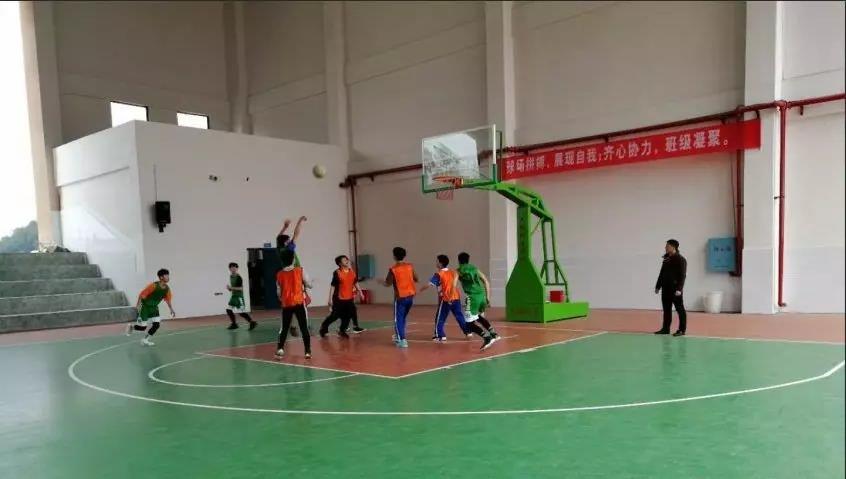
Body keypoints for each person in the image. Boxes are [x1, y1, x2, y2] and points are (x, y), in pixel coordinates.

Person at [419, 255, 473, 343]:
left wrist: (419, 290)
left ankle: (440, 336)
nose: (436, 262)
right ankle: (468, 332)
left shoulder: (439, 274)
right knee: (459, 316)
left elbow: (429, 284)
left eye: (437, 261)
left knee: (440, 318)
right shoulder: (453, 272)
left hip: (446, 299)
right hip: (456, 297)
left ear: (440, 263)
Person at [275, 249, 312, 359]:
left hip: (286, 304)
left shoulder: (279, 274)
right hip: (299, 302)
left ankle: (280, 349)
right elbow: (309, 284)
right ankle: (307, 351)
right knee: (304, 327)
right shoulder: (300, 270)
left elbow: (278, 292)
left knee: (284, 328)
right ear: (293, 259)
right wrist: (308, 284)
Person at [378, 246, 417, 348]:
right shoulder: (410, 266)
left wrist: (381, 281)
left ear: (394, 256)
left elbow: (388, 283)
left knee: (398, 319)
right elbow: (416, 278)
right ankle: (399, 335)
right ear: (404, 255)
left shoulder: (393, 269)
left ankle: (402, 340)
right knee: (403, 317)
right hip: (410, 296)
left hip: (400, 297)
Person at [456, 252, 500, 342]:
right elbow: (486, 281)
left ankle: (487, 338)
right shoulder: (475, 269)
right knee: (478, 316)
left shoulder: (459, 270)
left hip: (472, 297)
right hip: (482, 295)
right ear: (468, 260)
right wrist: (487, 297)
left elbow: (453, 283)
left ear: (459, 261)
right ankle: (494, 334)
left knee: (468, 324)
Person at [125, 268, 175, 346]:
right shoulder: (153, 286)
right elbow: (142, 295)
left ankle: (145, 339)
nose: (168, 277)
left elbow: (168, 300)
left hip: (154, 308)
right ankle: (132, 327)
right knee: (143, 327)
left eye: (168, 275)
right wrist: (138, 305)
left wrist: (171, 309)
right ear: (161, 277)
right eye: (166, 275)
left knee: (156, 325)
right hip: (145, 307)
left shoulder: (167, 289)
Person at [319, 255, 365, 338]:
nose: (347, 261)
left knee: (348, 315)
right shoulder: (337, 273)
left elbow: (355, 283)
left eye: (347, 259)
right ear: (340, 263)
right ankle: (324, 327)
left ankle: (342, 331)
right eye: (344, 260)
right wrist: (330, 299)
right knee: (335, 316)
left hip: (349, 298)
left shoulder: (352, 272)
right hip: (338, 298)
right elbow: (333, 286)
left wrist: (361, 293)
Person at [276, 215, 306, 335]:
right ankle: (298, 324)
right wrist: (300, 221)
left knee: (289, 302)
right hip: (295, 273)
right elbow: (296, 234)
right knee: (299, 300)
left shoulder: (279, 249)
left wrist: (285, 227)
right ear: (286, 242)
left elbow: (278, 237)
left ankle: (292, 325)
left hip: (286, 275)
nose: (289, 240)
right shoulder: (289, 249)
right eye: (288, 240)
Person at [654, 239, 688, 337]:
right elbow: (661, 274)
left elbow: (682, 275)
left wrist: (679, 289)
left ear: (673, 247)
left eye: (667, 246)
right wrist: (658, 286)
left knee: (680, 309)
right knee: (666, 310)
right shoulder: (666, 259)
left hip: (675, 289)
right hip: (666, 289)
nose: (665, 248)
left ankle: (681, 330)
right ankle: (666, 329)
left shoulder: (681, 259)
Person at [225, 262, 257, 331]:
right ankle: (234, 324)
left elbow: (240, 288)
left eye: (234, 267)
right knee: (228, 310)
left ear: (237, 268)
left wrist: (231, 288)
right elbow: (233, 288)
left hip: (239, 297)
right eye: (231, 267)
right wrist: (229, 289)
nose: (233, 269)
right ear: (229, 269)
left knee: (241, 313)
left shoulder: (239, 277)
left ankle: (252, 322)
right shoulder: (231, 276)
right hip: (234, 296)